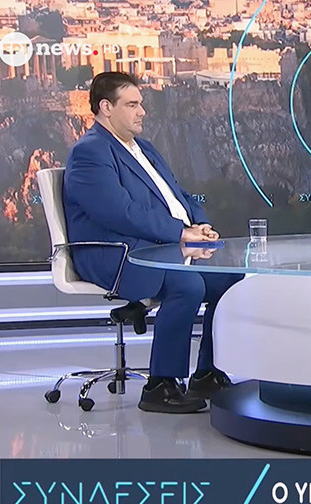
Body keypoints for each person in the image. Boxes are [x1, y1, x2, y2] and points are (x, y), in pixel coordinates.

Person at [64, 72, 242, 413]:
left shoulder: (143, 148)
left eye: (141, 104)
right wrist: (181, 234)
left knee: (229, 279)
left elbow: (178, 194)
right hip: (116, 253)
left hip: (158, 246)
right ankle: (161, 385)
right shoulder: (90, 152)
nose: (142, 111)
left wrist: (199, 223)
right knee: (187, 285)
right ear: (106, 108)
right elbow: (120, 213)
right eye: (132, 104)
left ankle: (207, 373)